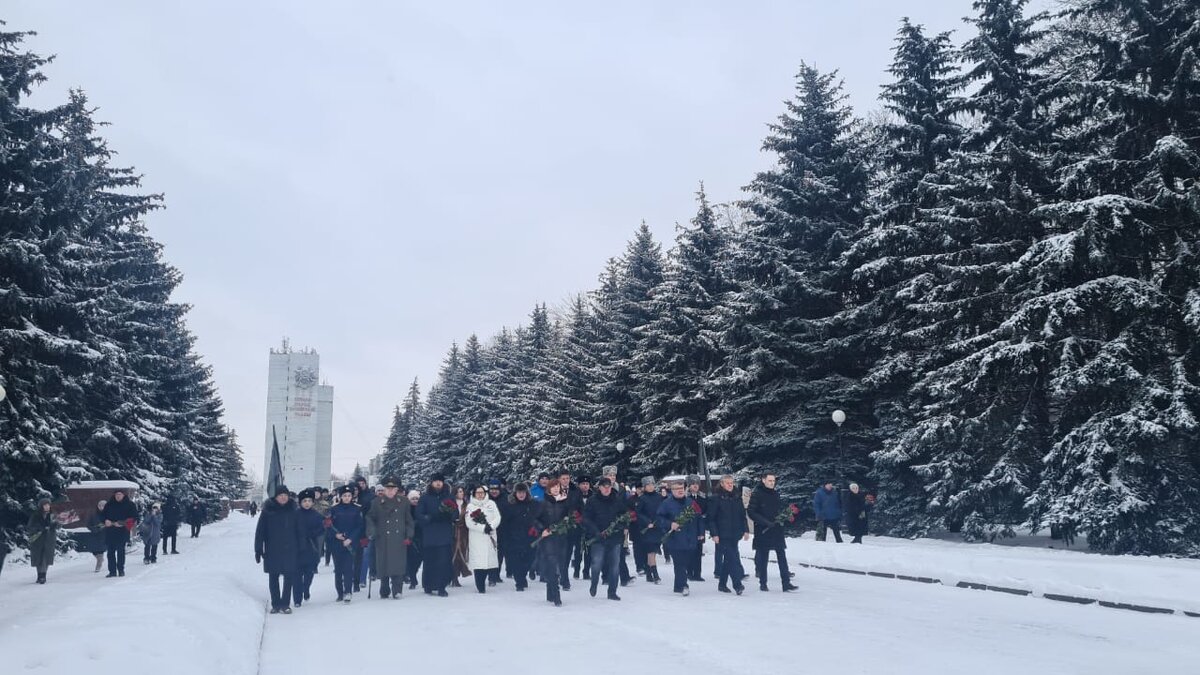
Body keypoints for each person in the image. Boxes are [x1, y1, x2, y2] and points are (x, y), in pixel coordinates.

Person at [365, 477, 415, 600]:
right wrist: (372, 531)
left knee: (398, 564)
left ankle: (397, 590)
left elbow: (409, 520)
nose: (390, 491)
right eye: (388, 488)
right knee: (383, 563)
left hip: (399, 538)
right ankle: (384, 588)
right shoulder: (376, 502)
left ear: (397, 489)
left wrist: (409, 535)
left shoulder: (404, 502)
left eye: (393, 488)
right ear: (384, 489)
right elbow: (370, 518)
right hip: (382, 538)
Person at [255, 485, 302, 614]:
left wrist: (301, 548)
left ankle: (285, 604)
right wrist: (258, 549)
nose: (283, 497)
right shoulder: (268, 511)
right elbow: (260, 531)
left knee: (289, 577)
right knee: (273, 577)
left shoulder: (294, 510)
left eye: (285, 495)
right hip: (272, 549)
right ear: (276, 497)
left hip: (290, 549)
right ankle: (275, 604)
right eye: (280, 495)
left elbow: (300, 531)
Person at [747, 473, 798, 592]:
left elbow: (778, 509)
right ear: (763, 480)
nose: (772, 483)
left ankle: (786, 583)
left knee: (782, 555)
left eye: (773, 481)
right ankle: (763, 583)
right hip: (763, 530)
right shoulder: (757, 494)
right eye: (769, 480)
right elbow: (751, 512)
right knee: (764, 556)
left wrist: (784, 516)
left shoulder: (776, 494)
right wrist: (765, 522)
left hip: (776, 529)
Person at [656, 480, 703, 596]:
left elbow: (699, 517)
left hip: (690, 537)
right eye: (677, 488)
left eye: (682, 488)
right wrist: (670, 524)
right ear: (672, 491)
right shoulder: (666, 503)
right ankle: (683, 585)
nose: (680, 490)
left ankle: (678, 586)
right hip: (675, 538)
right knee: (680, 562)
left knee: (685, 562)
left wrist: (701, 532)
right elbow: (659, 518)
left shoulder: (691, 502)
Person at [582, 477, 626, 600]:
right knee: (596, 563)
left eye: (609, 487)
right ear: (599, 488)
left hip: (615, 537)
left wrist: (620, 526)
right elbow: (586, 518)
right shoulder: (592, 501)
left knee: (614, 565)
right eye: (604, 487)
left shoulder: (617, 500)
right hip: (598, 537)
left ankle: (612, 591)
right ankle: (594, 583)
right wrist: (595, 531)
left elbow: (624, 516)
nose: (607, 489)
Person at [416, 473, 457, 597]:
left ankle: (441, 586)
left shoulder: (449, 497)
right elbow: (419, 514)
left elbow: (456, 514)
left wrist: (448, 515)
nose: (438, 483)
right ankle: (428, 585)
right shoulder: (424, 498)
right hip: (430, 535)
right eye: (436, 481)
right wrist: (429, 517)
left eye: (440, 481)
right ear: (431, 483)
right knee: (430, 561)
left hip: (444, 535)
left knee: (444, 562)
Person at [708, 475, 749, 594]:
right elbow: (711, 519)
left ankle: (722, 584)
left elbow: (742, 516)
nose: (730, 485)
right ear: (722, 484)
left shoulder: (737, 497)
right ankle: (737, 584)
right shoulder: (716, 498)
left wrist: (745, 530)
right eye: (727, 483)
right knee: (732, 558)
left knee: (728, 559)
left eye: (732, 483)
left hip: (735, 534)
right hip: (722, 534)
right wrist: (714, 534)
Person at [534, 481, 572, 606]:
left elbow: (570, 517)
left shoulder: (565, 502)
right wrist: (542, 529)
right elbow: (535, 519)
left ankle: (550, 591)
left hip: (561, 537)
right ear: (549, 489)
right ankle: (556, 594)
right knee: (551, 564)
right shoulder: (543, 503)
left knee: (560, 564)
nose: (556, 489)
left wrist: (568, 522)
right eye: (553, 487)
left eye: (557, 487)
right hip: (548, 538)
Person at [498, 482, 539, 591]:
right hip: (513, 538)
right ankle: (519, 582)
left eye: (523, 492)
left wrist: (536, 528)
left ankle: (522, 576)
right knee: (515, 562)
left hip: (530, 537)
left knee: (529, 560)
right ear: (515, 493)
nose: (521, 495)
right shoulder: (509, 506)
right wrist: (505, 538)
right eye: (519, 492)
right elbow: (504, 523)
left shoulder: (533, 504)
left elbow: (539, 518)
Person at [327, 485, 363, 603]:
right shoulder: (334, 509)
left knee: (348, 568)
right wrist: (335, 535)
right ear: (340, 497)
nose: (347, 498)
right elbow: (328, 525)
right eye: (344, 496)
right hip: (337, 543)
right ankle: (340, 593)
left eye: (349, 496)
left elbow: (359, 526)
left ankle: (348, 591)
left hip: (350, 543)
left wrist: (351, 539)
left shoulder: (357, 509)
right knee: (338, 569)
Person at [463, 484, 502, 593]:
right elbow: (469, 522)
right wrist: (482, 528)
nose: (480, 495)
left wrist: (491, 526)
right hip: (477, 537)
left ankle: (490, 579)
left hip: (490, 536)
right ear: (474, 494)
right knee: (479, 563)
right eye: (478, 493)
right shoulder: (470, 506)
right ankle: (480, 586)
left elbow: (497, 517)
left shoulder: (491, 504)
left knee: (489, 562)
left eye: (482, 493)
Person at [293, 489, 325, 607]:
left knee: (309, 575)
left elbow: (321, 529)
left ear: (312, 502)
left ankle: (305, 589)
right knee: (296, 576)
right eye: (304, 501)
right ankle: (297, 599)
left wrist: (313, 533)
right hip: (297, 549)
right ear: (300, 502)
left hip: (311, 549)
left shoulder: (316, 515)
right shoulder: (295, 514)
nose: (307, 503)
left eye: (309, 501)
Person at [100, 488, 138, 578]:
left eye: (120, 494)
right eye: (116, 494)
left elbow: (134, 517)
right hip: (110, 531)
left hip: (122, 531)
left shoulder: (130, 505)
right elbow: (102, 516)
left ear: (123, 495)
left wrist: (122, 523)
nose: (118, 496)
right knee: (110, 553)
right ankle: (112, 571)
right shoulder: (109, 504)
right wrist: (105, 521)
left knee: (121, 551)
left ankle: (121, 570)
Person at [635, 476, 663, 584]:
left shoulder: (658, 497)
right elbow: (639, 513)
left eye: (652, 484)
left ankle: (648, 573)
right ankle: (655, 574)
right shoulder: (642, 498)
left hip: (657, 527)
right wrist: (647, 522)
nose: (651, 487)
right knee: (651, 552)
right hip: (647, 528)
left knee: (653, 552)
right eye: (648, 485)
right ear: (644, 487)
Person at [27, 498, 58, 584]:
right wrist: (41, 528)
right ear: (41, 506)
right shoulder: (35, 515)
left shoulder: (52, 515)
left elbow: (57, 525)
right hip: (38, 539)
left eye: (48, 505)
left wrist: (54, 525)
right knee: (38, 558)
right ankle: (39, 575)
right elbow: (30, 527)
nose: (47, 507)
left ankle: (43, 576)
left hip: (49, 539)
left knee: (46, 557)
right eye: (45, 505)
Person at [685, 475, 708, 582]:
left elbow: (706, 511)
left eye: (697, 484)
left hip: (700, 527)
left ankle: (697, 573)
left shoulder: (703, 497)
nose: (695, 486)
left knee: (698, 551)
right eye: (693, 484)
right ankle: (689, 572)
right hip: (689, 528)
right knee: (690, 551)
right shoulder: (685, 498)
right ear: (689, 486)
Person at [485, 479, 507, 584]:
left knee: (500, 553)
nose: (494, 491)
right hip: (489, 530)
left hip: (502, 530)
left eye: (496, 489)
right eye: (492, 489)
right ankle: (491, 576)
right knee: (490, 553)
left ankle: (496, 574)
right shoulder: (486, 500)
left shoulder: (505, 499)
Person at [573, 475, 593, 580]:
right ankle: (576, 570)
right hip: (578, 526)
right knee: (579, 550)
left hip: (590, 527)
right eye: (583, 484)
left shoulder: (593, 496)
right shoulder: (575, 495)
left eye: (587, 484)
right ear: (579, 485)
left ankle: (586, 571)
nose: (585, 486)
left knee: (589, 550)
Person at [405, 489, 423, 589]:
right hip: (410, 537)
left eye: (417, 498)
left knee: (419, 559)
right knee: (412, 561)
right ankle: (412, 579)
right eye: (413, 499)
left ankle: (413, 577)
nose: (415, 500)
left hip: (421, 536)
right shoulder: (407, 509)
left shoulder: (421, 508)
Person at [86, 500, 108, 573]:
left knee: (101, 550)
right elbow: (88, 524)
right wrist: (94, 528)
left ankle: (98, 564)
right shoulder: (93, 515)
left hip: (104, 535)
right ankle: (100, 559)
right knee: (94, 551)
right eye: (100, 506)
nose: (101, 507)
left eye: (103, 506)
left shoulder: (109, 515)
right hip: (94, 535)